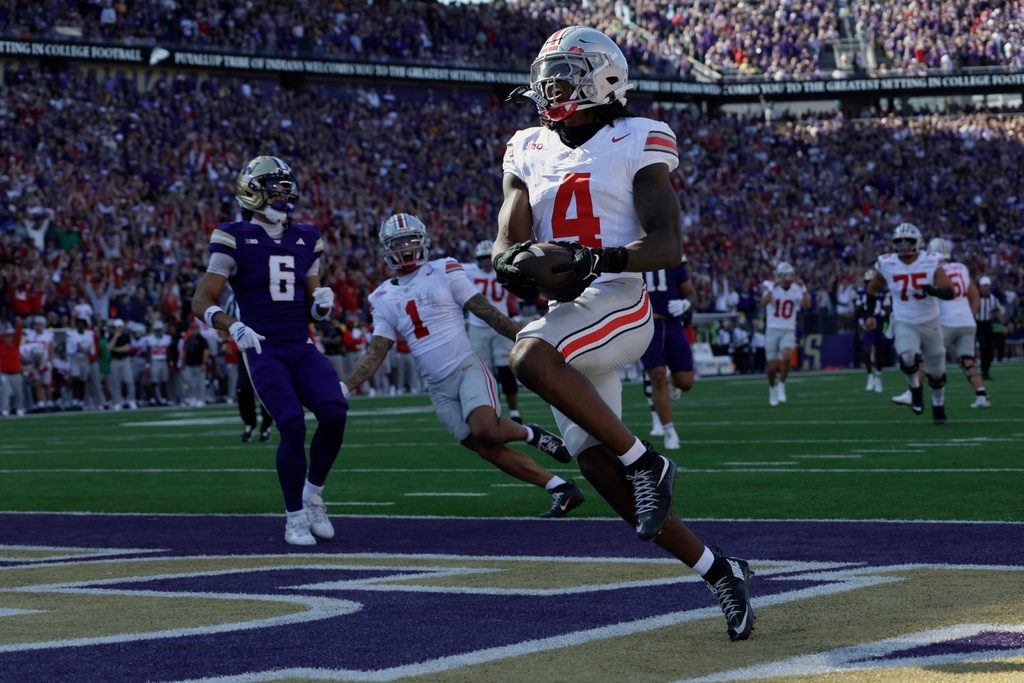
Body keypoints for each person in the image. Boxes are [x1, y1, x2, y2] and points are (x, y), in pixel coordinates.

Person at [494, 26, 753, 641]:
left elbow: (666, 243)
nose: (548, 85)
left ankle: (648, 461)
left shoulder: (638, 136)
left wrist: (594, 260)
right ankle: (720, 570)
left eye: (564, 73)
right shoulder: (526, 145)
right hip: (570, 312)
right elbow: (506, 242)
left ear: (603, 78)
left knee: (528, 356)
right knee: (598, 469)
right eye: (546, 74)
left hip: (618, 301)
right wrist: (518, 266)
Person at [343, 213, 583, 519]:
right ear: (386, 248)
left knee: (486, 429)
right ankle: (561, 487)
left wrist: (530, 340)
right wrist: (345, 386)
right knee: (485, 447)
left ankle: (531, 435)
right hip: (436, 386)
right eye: (398, 242)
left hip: (465, 366)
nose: (405, 248)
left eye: (411, 240)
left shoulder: (444, 269)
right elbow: (376, 350)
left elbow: (485, 312)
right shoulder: (381, 297)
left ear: (423, 241)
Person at [191, 155, 348, 546]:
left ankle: (312, 495)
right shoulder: (233, 236)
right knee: (292, 424)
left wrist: (322, 305)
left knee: (334, 411)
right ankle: (294, 516)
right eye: (275, 188)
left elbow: (313, 305)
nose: (284, 195)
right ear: (253, 192)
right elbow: (201, 300)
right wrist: (233, 325)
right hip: (261, 345)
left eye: (285, 188)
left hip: (300, 342)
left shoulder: (307, 236)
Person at [864, 223, 956, 424]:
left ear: (918, 242)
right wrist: (870, 314)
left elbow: (950, 292)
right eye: (899, 242)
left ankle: (938, 407)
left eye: (908, 241)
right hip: (903, 319)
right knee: (906, 356)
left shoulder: (930, 261)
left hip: (930, 321)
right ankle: (915, 389)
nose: (904, 246)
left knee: (937, 371)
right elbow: (872, 289)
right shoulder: (886, 263)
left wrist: (933, 291)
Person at [892, 238, 990, 408]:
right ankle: (982, 396)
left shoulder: (932, 269)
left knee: (926, 358)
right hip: (967, 322)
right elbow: (974, 295)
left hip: (946, 322)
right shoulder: (962, 268)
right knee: (968, 361)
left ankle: (910, 393)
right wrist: (971, 316)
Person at [639, 255, 698, 450]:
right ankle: (668, 430)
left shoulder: (674, 262)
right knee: (657, 376)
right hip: (647, 325)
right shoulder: (636, 261)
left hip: (673, 325)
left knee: (685, 382)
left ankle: (673, 382)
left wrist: (686, 304)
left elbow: (691, 293)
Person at [462, 239, 523, 423]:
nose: (487, 263)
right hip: (478, 327)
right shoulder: (469, 271)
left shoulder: (504, 268)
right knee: (482, 373)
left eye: (489, 259)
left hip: (500, 326)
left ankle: (514, 413)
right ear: (476, 259)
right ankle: (492, 411)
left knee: (506, 371)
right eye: (483, 259)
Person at [760, 262, 810, 406]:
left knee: (787, 356)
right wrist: (771, 288)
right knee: (771, 366)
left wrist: (804, 287)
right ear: (778, 277)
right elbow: (763, 303)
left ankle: (782, 384)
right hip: (772, 329)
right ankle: (772, 388)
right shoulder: (771, 287)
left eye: (789, 276)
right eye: (785, 276)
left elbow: (807, 305)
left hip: (788, 328)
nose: (788, 279)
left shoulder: (796, 289)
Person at [855, 268, 891, 393]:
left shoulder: (884, 293)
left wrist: (880, 311)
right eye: (868, 282)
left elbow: (888, 311)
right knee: (867, 349)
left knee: (880, 352)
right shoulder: (862, 293)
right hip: (868, 324)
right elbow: (856, 312)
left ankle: (878, 377)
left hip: (880, 324)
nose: (870, 285)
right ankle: (870, 376)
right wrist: (863, 304)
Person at [975, 276, 1006, 381]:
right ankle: (981, 371)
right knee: (983, 347)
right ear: (980, 286)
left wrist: (1004, 324)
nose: (985, 288)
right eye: (984, 285)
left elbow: (997, 311)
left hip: (988, 324)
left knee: (990, 349)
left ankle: (985, 372)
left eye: (987, 285)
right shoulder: (975, 297)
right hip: (978, 324)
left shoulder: (992, 298)